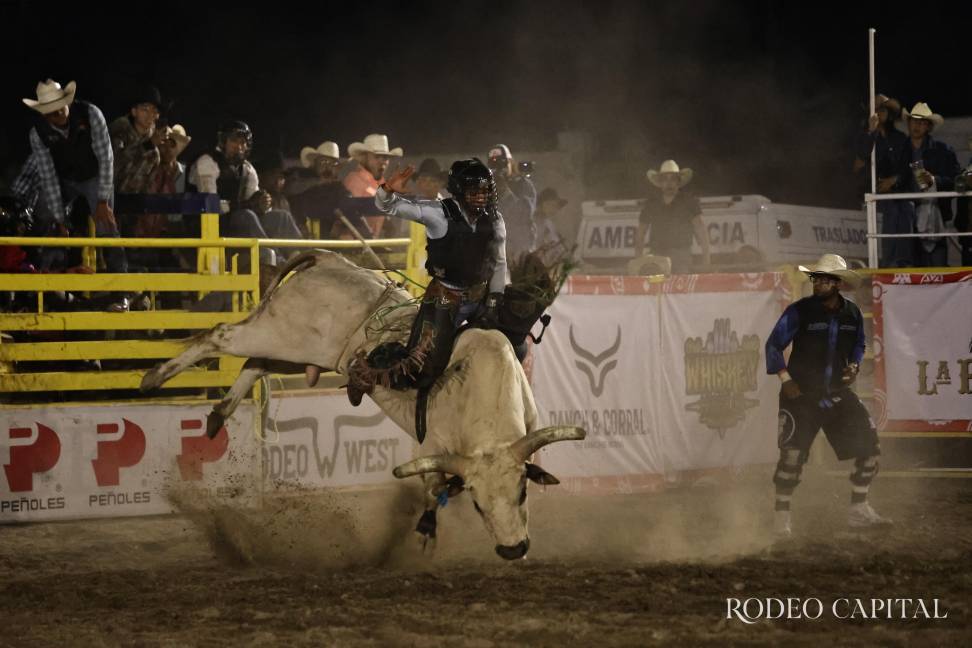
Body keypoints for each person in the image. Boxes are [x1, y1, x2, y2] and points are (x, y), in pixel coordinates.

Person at [343, 158, 508, 406]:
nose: (481, 197)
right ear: (460, 191)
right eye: (475, 192)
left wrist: (496, 297)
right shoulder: (437, 213)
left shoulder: (495, 220)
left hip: (481, 297)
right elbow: (386, 206)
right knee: (425, 367)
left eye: (485, 191)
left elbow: (499, 261)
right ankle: (366, 371)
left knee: (514, 347)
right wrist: (387, 190)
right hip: (445, 298)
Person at [765, 253, 890, 537]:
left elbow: (858, 344)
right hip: (801, 395)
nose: (818, 283)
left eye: (824, 280)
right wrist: (785, 379)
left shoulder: (852, 313)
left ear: (837, 284)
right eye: (816, 279)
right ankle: (781, 519)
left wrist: (855, 365)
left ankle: (859, 509)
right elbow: (773, 345)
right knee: (792, 457)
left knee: (870, 448)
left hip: (837, 392)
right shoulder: (800, 311)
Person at [21, 79, 128, 284]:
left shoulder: (91, 114)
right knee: (45, 214)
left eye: (60, 108)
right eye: (51, 111)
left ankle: (120, 287)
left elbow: (105, 158)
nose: (57, 114)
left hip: (94, 175)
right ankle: (45, 282)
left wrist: (103, 200)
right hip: (64, 178)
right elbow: (48, 175)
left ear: (67, 103)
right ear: (43, 113)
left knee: (106, 223)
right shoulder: (38, 134)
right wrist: (59, 219)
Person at [188, 120, 302, 269]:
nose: (240, 147)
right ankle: (275, 261)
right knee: (245, 215)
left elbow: (253, 200)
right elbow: (210, 207)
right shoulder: (207, 163)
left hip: (237, 226)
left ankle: (301, 261)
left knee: (281, 217)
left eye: (243, 142)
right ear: (223, 141)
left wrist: (263, 203)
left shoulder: (247, 169)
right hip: (206, 227)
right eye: (234, 141)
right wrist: (246, 205)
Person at [853, 95, 915, 267]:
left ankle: (904, 263)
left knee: (906, 209)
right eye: (877, 109)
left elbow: (907, 167)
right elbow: (861, 158)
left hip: (898, 190)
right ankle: (889, 264)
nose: (881, 113)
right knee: (892, 210)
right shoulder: (864, 135)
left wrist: (894, 180)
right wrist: (871, 132)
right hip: (876, 192)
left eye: (883, 109)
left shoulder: (901, 138)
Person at [902, 102, 960, 267]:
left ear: (928, 126)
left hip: (936, 216)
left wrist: (934, 180)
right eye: (914, 121)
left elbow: (956, 179)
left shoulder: (944, 151)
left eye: (922, 122)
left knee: (937, 269)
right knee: (912, 269)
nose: (917, 126)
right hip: (907, 219)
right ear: (908, 123)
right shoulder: (899, 149)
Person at [636, 159, 710, 273]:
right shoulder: (652, 203)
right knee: (656, 286)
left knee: (678, 286)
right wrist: (638, 259)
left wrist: (706, 259)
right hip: (657, 257)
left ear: (678, 182)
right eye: (665, 179)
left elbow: (700, 229)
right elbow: (641, 232)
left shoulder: (689, 202)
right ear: (660, 183)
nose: (669, 183)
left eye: (673, 179)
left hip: (681, 258)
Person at [288, 141, 355, 237]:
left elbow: (348, 202)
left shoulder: (338, 187)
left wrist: (339, 224)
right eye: (324, 162)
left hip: (330, 238)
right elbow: (291, 190)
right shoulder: (302, 180)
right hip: (305, 236)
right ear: (315, 164)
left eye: (333, 164)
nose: (328, 167)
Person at [343, 133, 403, 237]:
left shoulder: (382, 183)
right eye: (377, 157)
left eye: (385, 157)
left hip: (369, 247)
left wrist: (386, 222)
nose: (382, 162)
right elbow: (349, 218)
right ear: (364, 158)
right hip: (353, 247)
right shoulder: (354, 180)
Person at [488, 144, 536, 262]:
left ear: (511, 163)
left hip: (519, 250)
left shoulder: (524, 184)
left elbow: (525, 212)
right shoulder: (486, 187)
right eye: (494, 164)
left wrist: (506, 193)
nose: (499, 168)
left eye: (502, 163)